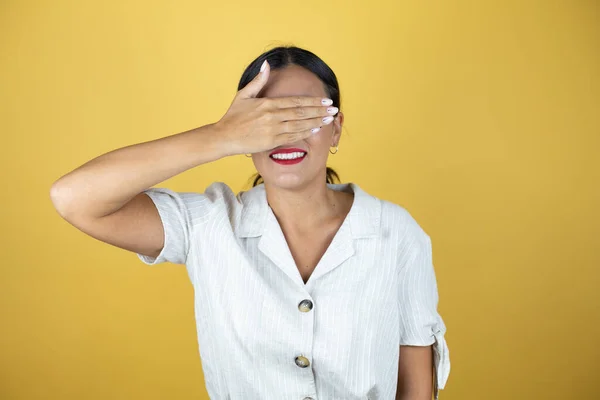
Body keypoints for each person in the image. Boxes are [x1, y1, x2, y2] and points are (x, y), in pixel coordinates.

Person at [50, 46, 450, 400]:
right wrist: (222, 135)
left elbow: (415, 388)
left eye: (306, 115)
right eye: (267, 119)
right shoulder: (207, 223)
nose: (286, 134)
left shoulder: (397, 233)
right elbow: (74, 198)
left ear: (336, 128)